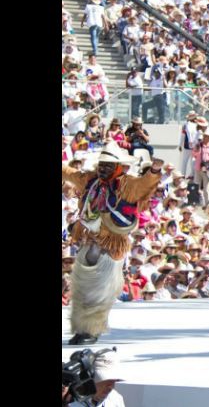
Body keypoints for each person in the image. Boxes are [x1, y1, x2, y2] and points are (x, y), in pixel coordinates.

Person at [62, 142, 163, 345]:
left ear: (118, 167)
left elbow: (144, 185)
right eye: (102, 165)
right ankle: (81, 329)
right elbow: (69, 173)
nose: (103, 169)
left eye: (108, 165)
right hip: (89, 241)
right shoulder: (90, 180)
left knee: (99, 292)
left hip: (111, 246)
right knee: (81, 290)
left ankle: (91, 331)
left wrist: (154, 171)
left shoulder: (127, 185)